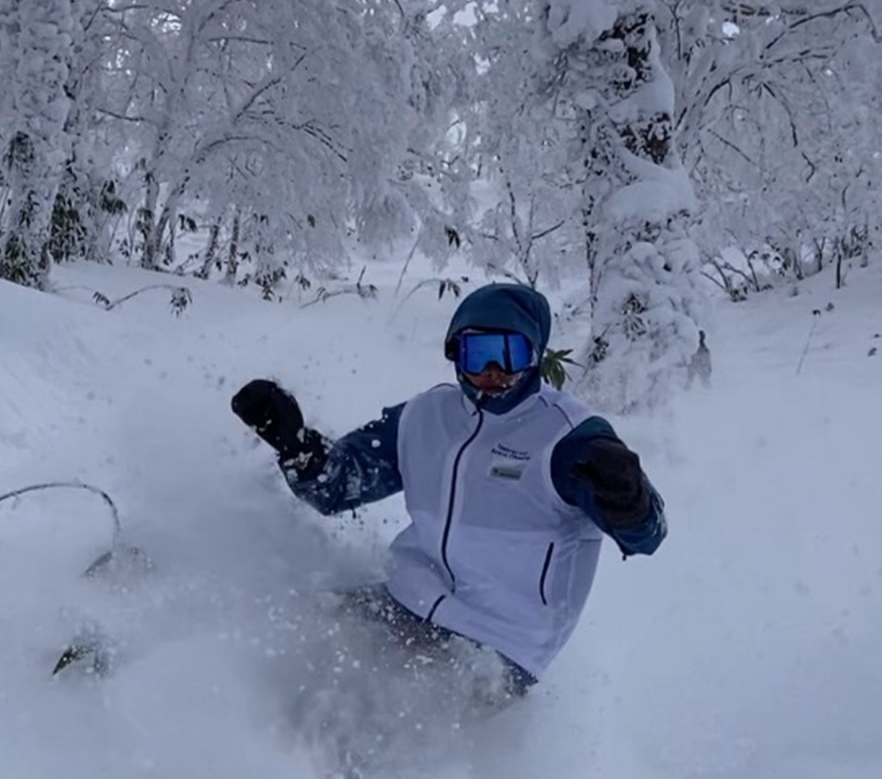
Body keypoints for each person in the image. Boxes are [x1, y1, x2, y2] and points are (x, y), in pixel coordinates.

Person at [231, 282, 666, 704]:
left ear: (534, 357)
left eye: (511, 354)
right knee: (290, 638)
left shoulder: (568, 440)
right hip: (406, 599)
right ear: (455, 354)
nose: (495, 372)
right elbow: (339, 485)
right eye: (480, 354)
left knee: (370, 718)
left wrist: (632, 502)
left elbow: (646, 537)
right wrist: (298, 447)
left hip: (500, 645)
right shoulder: (424, 417)